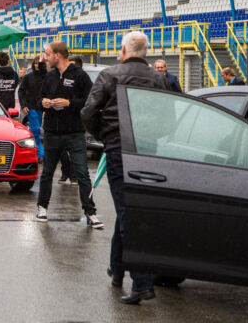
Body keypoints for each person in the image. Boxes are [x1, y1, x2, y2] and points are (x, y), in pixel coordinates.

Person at [81, 31, 170, 305]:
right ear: (146, 52)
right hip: (148, 149)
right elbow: (170, 117)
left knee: (127, 212)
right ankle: (117, 269)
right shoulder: (159, 79)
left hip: (119, 147)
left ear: (123, 50)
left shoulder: (109, 75)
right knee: (129, 209)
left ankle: (141, 283)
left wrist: (106, 136)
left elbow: (88, 112)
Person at [35, 41, 102, 229]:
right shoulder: (50, 76)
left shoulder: (79, 75)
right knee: (47, 173)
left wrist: (69, 103)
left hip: (74, 133)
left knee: (82, 174)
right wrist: (43, 103)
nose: (45, 58)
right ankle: (42, 208)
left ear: (57, 55)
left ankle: (90, 212)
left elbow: (90, 101)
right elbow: (38, 99)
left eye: (48, 54)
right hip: (51, 132)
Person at [18, 54, 47, 161]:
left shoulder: (46, 76)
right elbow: (21, 91)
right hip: (31, 107)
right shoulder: (28, 77)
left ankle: (36, 152)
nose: (36, 65)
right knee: (35, 130)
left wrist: (46, 109)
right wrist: (23, 105)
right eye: (35, 63)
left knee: (38, 130)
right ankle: (40, 153)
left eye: (38, 64)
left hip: (42, 107)